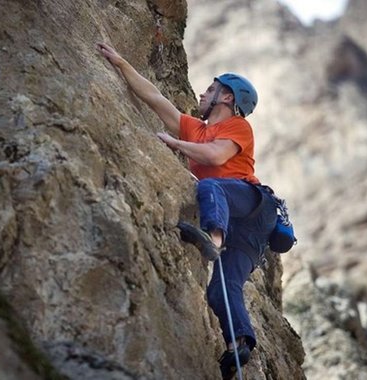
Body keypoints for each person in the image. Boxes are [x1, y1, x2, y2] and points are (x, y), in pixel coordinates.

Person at [97, 42, 278, 379]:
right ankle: (239, 343)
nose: (203, 93)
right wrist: (121, 63)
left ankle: (213, 238)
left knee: (209, 186)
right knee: (221, 288)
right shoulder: (196, 127)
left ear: (227, 98)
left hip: (252, 207)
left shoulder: (238, 126)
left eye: (211, 88)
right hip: (240, 224)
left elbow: (215, 158)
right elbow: (153, 98)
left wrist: (175, 144)